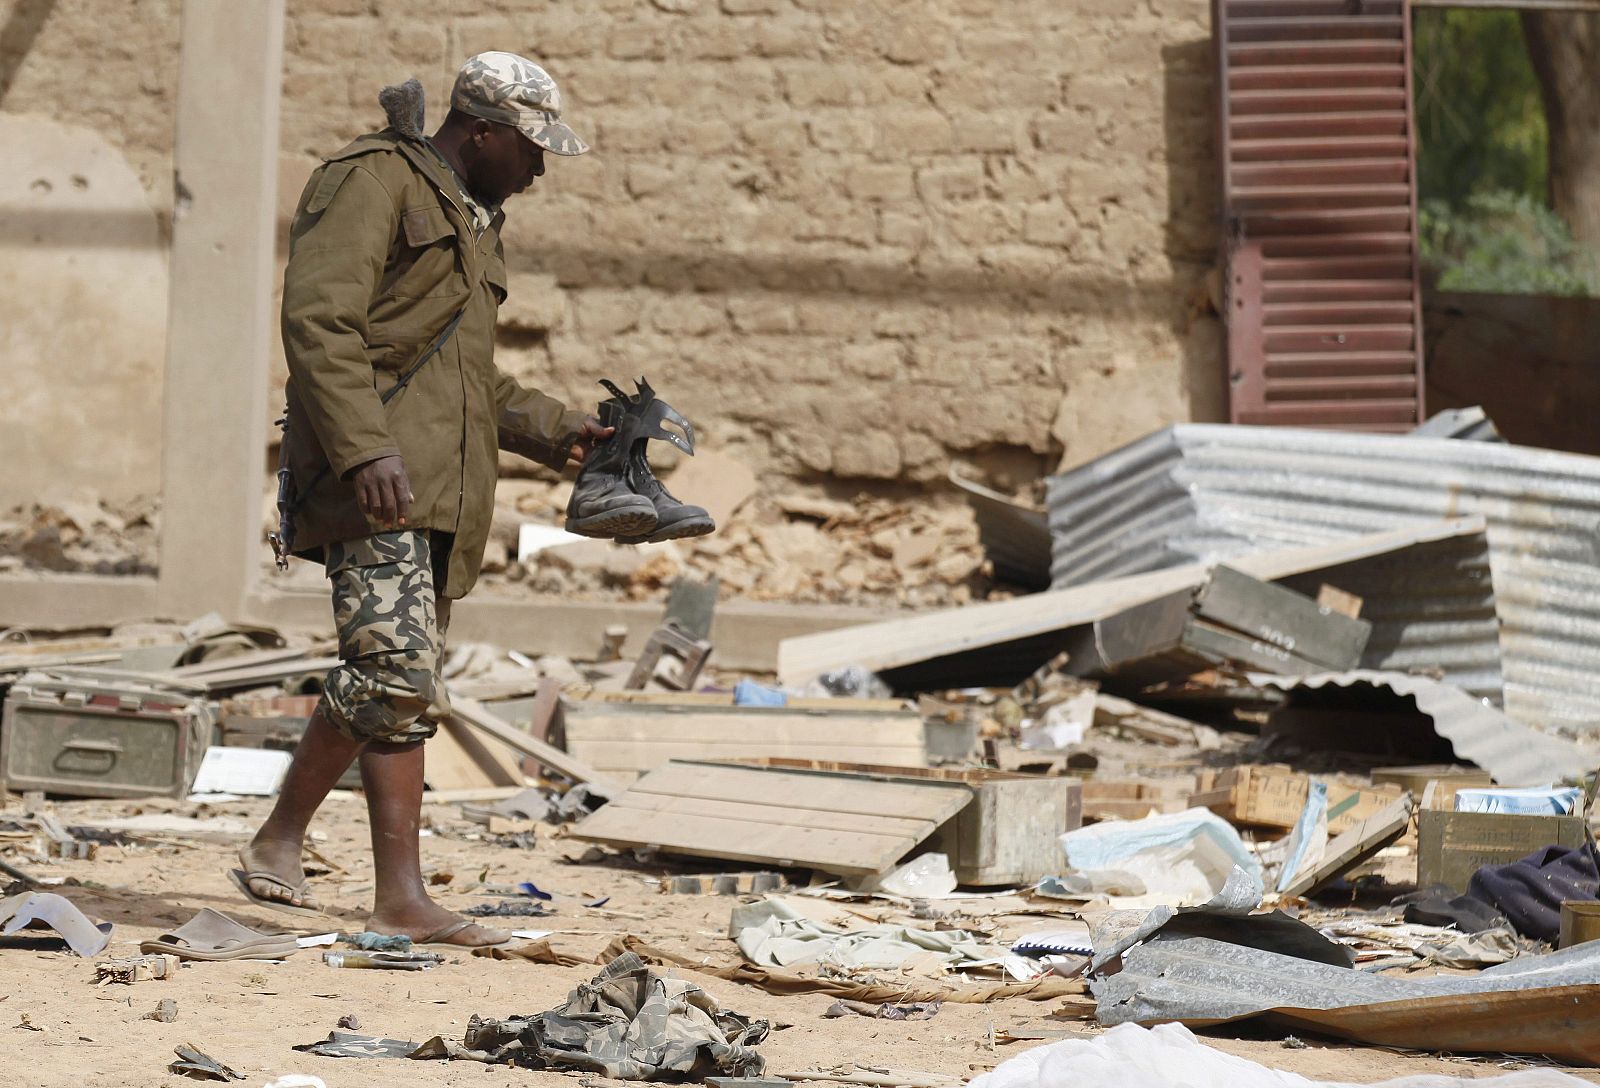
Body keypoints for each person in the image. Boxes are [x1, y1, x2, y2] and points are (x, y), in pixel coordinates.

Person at [236, 53, 602, 948]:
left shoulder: (474, 220)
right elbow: (319, 323)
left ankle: (374, 885)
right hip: (377, 479)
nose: (541, 168)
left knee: (405, 686)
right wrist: (363, 449)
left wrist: (564, 433)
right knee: (396, 672)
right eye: (530, 147)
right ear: (480, 132)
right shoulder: (370, 182)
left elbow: (467, 379)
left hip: (441, 486)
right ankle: (301, 845)